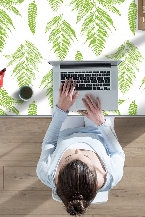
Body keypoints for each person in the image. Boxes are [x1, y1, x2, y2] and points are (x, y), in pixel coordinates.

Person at [37, 78, 125, 215]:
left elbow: (49, 143)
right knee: (100, 91)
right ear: (97, 173)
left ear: (58, 175)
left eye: (69, 157)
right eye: (85, 156)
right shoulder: (112, 175)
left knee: (66, 95)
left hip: (66, 132)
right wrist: (101, 122)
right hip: (98, 131)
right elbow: (117, 153)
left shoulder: (46, 173)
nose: (77, 149)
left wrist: (61, 110)